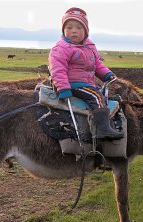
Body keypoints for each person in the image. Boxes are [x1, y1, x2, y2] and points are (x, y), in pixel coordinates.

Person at [48, 7, 123, 140]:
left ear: (86, 31)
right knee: (96, 98)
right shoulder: (61, 48)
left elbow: (97, 64)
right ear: (63, 30)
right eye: (69, 27)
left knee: (104, 94)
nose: (74, 31)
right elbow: (57, 70)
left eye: (79, 27)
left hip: (86, 83)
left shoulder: (89, 46)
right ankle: (103, 129)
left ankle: (109, 121)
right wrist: (63, 88)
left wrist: (106, 74)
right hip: (73, 85)